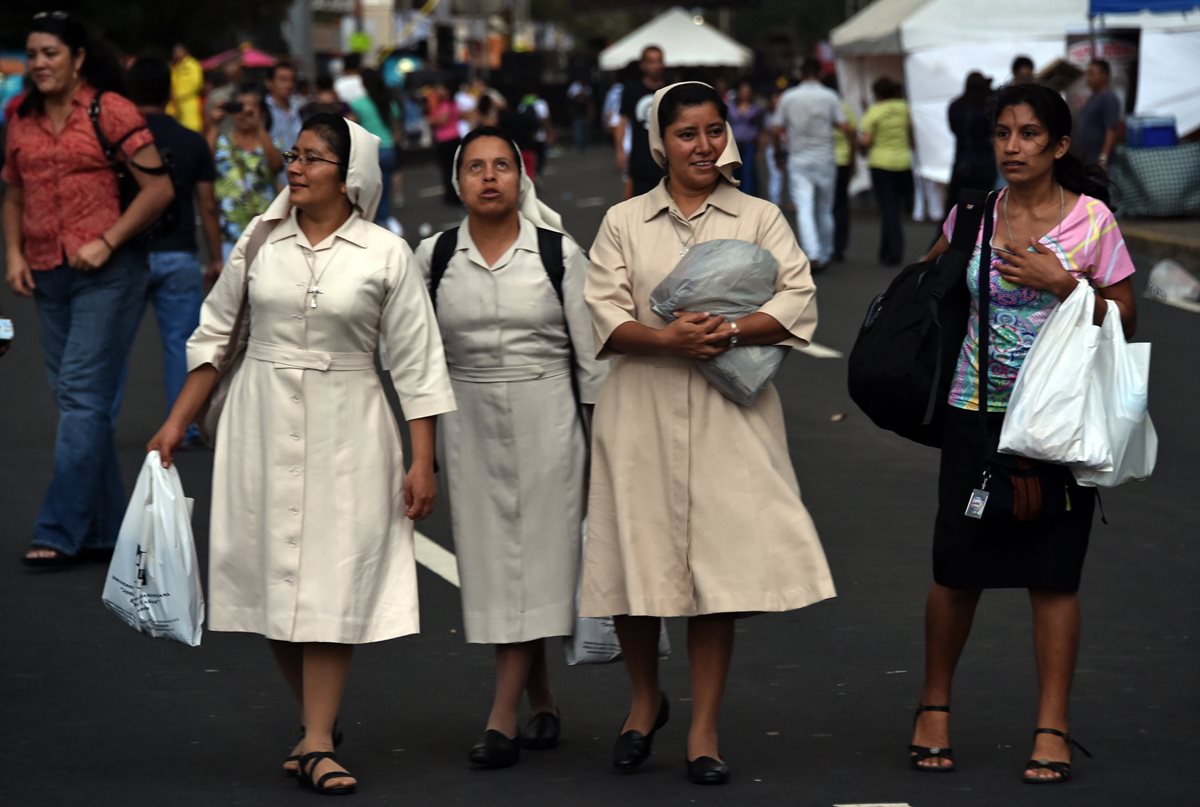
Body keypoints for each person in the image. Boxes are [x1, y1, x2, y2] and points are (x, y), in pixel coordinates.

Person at [146, 114, 456, 795]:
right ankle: (319, 724)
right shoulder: (260, 239)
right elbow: (214, 335)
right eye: (295, 154)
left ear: (349, 179)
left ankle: (316, 737)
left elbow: (418, 363)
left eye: (314, 158)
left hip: (350, 421)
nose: (296, 166)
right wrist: (175, 424)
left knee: (331, 575)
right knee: (271, 575)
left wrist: (422, 458)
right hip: (261, 414)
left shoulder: (384, 253)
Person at [582, 81, 835, 786]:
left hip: (732, 410)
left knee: (716, 572)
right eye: (687, 133)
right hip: (642, 406)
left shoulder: (759, 216)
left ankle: (703, 726)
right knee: (636, 564)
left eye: (714, 130)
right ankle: (643, 701)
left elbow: (796, 297)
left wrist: (727, 329)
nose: (703, 145)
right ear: (661, 142)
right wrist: (664, 339)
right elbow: (602, 312)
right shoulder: (624, 221)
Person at [909, 82, 1136, 784]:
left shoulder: (1093, 223)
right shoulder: (973, 217)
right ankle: (933, 706)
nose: (1012, 146)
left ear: (1060, 145)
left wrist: (1063, 284)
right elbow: (928, 284)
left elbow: (1125, 316)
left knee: (1053, 576)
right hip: (974, 413)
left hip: (1060, 420)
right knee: (957, 569)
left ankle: (1052, 724)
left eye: (1029, 134)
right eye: (1003, 133)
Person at [413, 126, 606, 769]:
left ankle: (502, 717)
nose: (489, 177)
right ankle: (543, 697)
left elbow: (592, 363)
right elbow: (417, 362)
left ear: (522, 179)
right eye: (475, 167)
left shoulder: (558, 253)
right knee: (498, 566)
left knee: (540, 561)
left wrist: (602, 447)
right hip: (469, 425)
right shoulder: (433, 257)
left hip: (549, 417)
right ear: (457, 182)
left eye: (502, 165)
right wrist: (423, 452)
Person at [4, 11, 173, 568]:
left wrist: (107, 239)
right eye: (32, 55)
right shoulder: (19, 117)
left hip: (108, 272)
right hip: (48, 270)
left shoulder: (110, 110)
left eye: (51, 53)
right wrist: (13, 254)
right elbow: (12, 191)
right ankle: (104, 529)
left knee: (79, 396)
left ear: (77, 58)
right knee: (82, 403)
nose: (39, 64)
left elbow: (158, 189)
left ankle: (59, 527)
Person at [116, 56, 222, 444]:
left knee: (114, 343)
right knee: (182, 344)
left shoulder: (119, 139)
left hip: (127, 254)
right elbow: (207, 205)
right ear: (171, 93)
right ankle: (187, 424)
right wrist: (215, 255)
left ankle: (99, 419)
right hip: (179, 253)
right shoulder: (191, 141)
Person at [777, 58, 848, 272]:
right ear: (821, 74)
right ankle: (825, 251)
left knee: (804, 207)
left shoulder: (789, 97)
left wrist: (779, 152)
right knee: (825, 208)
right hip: (825, 157)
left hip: (798, 157)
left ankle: (812, 252)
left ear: (800, 75)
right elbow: (844, 126)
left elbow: (775, 128)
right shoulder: (829, 96)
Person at [209, 83, 283, 259]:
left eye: (251, 107)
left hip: (265, 234)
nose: (244, 113)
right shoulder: (221, 144)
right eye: (239, 107)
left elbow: (276, 166)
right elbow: (204, 162)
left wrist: (259, 127)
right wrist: (213, 124)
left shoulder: (270, 143)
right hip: (230, 235)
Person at [859, 76, 913, 266]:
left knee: (887, 208)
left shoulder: (875, 111)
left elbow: (865, 140)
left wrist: (862, 149)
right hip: (903, 162)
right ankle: (885, 250)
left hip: (880, 163)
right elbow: (911, 131)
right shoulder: (904, 107)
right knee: (894, 207)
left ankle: (895, 250)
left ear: (877, 93)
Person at [352, 68, 400, 228]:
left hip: (371, 151)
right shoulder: (388, 101)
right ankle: (384, 220)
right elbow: (396, 127)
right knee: (384, 190)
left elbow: (352, 126)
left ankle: (374, 224)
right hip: (388, 149)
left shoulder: (358, 104)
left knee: (369, 193)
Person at [617, 45, 666, 198]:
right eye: (651, 62)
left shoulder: (669, 90)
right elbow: (622, 121)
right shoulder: (632, 90)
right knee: (638, 205)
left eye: (659, 61)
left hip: (666, 158)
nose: (656, 66)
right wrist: (619, 150)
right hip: (640, 157)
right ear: (643, 65)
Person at [947, 71, 997, 212]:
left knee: (956, 206)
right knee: (982, 207)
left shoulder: (956, 106)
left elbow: (954, 129)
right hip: (985, 161)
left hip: (963, 160)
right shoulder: (988, 108)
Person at [824, 74, 856, 262]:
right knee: (841, 204)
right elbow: (852, 134)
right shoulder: (844, 107)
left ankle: (826, 245)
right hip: (842, 161)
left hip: (824, 160)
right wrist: (852, 161)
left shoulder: (819, 107)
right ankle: (839, 245)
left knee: (825, 205)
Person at [1078, 59, 1121, 168]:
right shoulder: (1093, 98)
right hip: (1089, 159)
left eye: (1092, 73)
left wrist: (1103, 158)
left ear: (1104, 75)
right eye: (1087, 74)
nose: (1088, 77)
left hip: (1101, 162)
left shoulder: (1109, 97)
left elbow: (1111, 129)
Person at [727, 80, 764, 197]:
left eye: (747, 91)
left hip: (750, 143)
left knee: (748, 171)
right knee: (734, 171)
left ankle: (747, 197)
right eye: (742, 91)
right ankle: (734, 196)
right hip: (734, 143)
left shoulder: (756, 108)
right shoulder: (730, 106)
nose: (745, 94)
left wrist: (760, 149)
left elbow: (761, 129)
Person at [429, 82, 461, 204]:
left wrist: (432, 120)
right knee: (452, 168)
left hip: (447, 140)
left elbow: (442, 120)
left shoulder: (445, 105)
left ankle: (452, 195)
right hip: (453, 138)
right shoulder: (451, 104)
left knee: (448, 169)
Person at [266, 61, 304, 163]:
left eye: (292, 80)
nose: (289, 85)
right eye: (283, 80)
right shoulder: (263, 111)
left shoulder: (300, 109)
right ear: (270, 83)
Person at [167, 42, 203, 132]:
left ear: (185, 51)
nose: (177, 54)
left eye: (179, 51)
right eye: (175, 52)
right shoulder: (175, 67)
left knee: (191, 127)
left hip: (188, 101)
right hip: (174, 103)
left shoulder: (192, 65)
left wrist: (178, 95)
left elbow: (196, 83)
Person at [762, 86, 786, 209]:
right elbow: (766, 133)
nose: (778, 101)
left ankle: (793, 200)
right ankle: (775, 201)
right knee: (775, 175)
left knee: (792, 176)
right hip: (773, 147)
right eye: (775, 98)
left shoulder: (789, 113)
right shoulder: (768, 115)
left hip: (789, 148)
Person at [567, 76, 593, 151]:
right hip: (577, 112)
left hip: (585, 112)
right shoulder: (574, 86)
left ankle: (586, 144)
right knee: (577, 129)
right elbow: (573, 97)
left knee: (586, 129)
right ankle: (578, 145)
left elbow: (589, 101)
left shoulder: (587, 87)